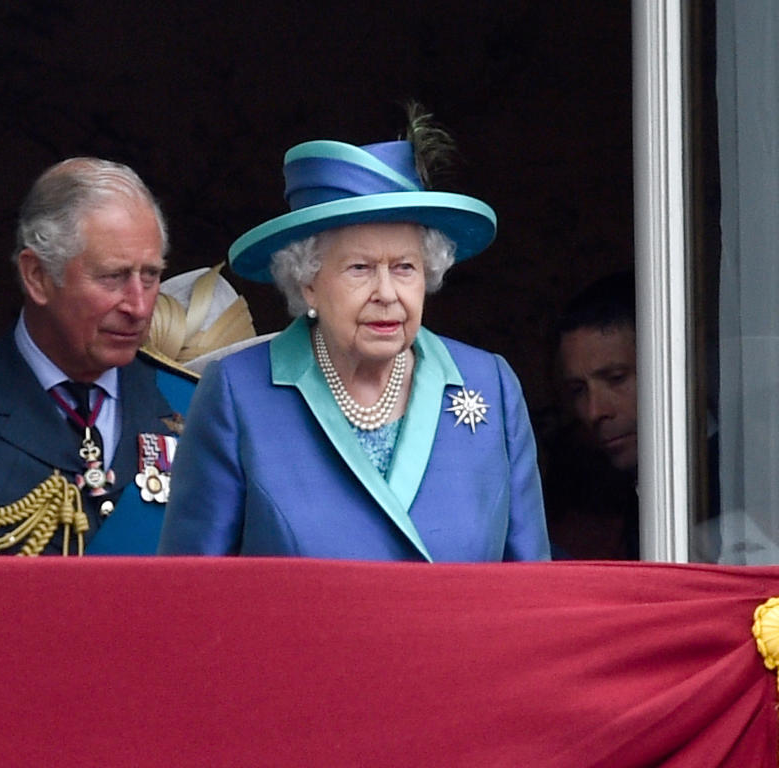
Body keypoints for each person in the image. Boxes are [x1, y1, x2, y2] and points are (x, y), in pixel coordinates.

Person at [158, 108, 551, 562]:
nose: (386, 293)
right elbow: (193, 593)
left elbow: (531, 585)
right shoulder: (238, 395)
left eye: (404, 267)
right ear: (307, 281)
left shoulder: (491, 384)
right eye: (359, 269)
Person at [0, 157, 198, 556]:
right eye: (113, 277)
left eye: (150, 276)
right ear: (37, 276)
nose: (139, 306)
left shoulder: (199, 407)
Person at [545, 271, 640, 559]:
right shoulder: (599, 483)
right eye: (578, 390)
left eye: (616, 378)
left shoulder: (736, 480)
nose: (594, 411)